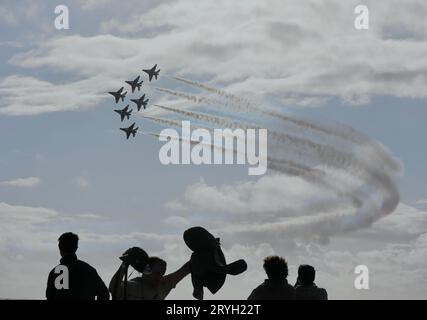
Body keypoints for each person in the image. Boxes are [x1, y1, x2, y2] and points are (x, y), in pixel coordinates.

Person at [46, 232, 109, 300]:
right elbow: (104, 293)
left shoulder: (55, 273)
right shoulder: (89, 270)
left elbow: (50, 296)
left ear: (60, 248)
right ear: (76, 247)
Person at [109, 256, 190, 300]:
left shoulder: (163, 285)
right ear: (146, 271)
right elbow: (113, 288)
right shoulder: (131, 286)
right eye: (157, 273)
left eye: (162, 274)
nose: (159, 277)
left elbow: (187, 268)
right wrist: (125, 264)